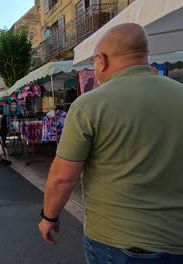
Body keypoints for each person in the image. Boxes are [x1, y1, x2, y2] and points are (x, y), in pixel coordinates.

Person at [38, 23, 183, 263]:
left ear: (101, 60)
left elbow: (63, 176)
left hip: (118, 242)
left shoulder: (89, 105)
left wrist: (49, 217)